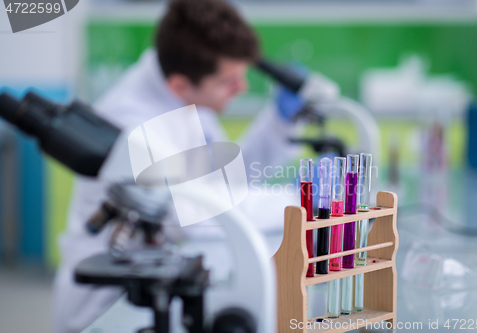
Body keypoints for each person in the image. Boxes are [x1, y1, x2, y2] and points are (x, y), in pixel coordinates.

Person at [52, 0, 304, 332]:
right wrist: (299, 199)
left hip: (162, 280)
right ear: (180, 85)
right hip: (110, 305)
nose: (242, 88)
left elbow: (224, 178)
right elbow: (199, 213)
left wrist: (279, 124)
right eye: (229, 81)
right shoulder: (134, 123)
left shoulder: (183, 91)